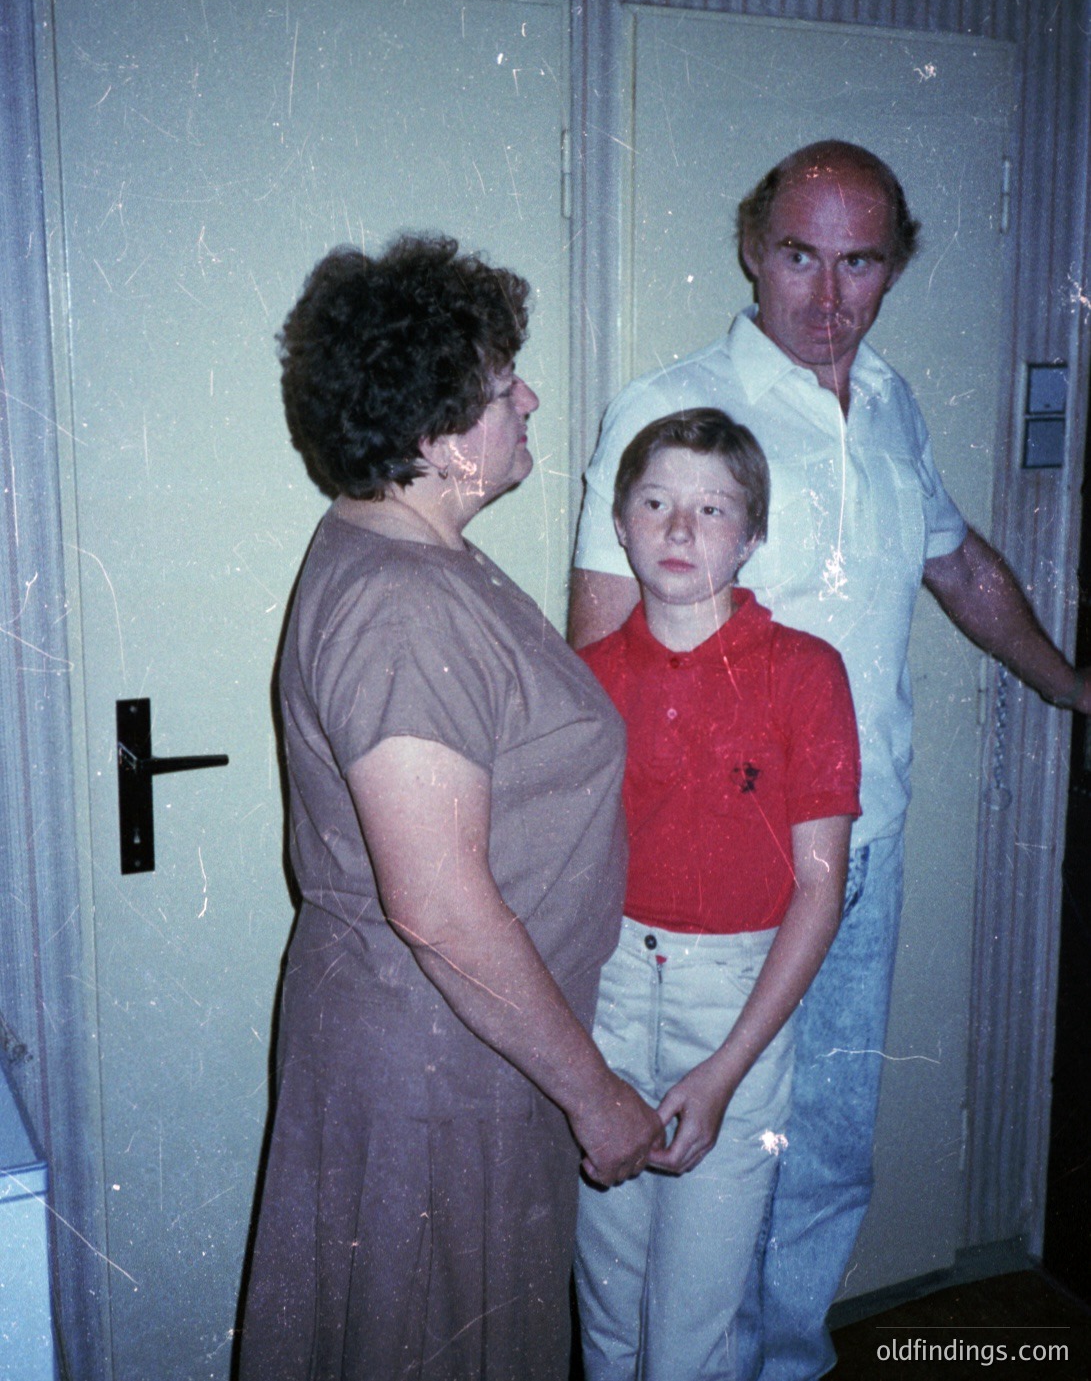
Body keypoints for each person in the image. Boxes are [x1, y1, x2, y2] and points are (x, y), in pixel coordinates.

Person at [568, 141, 1091, 1381]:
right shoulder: (669, 406)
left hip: (856, 854)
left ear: (890, 267)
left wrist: (1071, 685)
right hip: (716, 891)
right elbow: (594, 660)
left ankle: (784, 1366)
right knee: (701, 1171)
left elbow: (957, 568)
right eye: (798, 254)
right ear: (752, 246)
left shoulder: (895, 406)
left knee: (823, 1153)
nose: (824, 293)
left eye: (858, 262)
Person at [237, 235, 663, 1381]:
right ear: (432, 437)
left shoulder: (419, 558)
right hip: (438, 1063)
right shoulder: (404, 607)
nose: (527, 396)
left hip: (449, 1043)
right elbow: (436, 905)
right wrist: (595, 1095)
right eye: (498, 382)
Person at [573, 409, 861, 1381]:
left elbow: (818, 890)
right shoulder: (582, 680)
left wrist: (727, 1066)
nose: (680, 529)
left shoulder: (804, 673)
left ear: (751, 534)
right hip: (604, 989)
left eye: (711, 507)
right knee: (606, 1310)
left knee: (692, 1327)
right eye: (655, 502)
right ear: (618, 522)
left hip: (734, 1003)